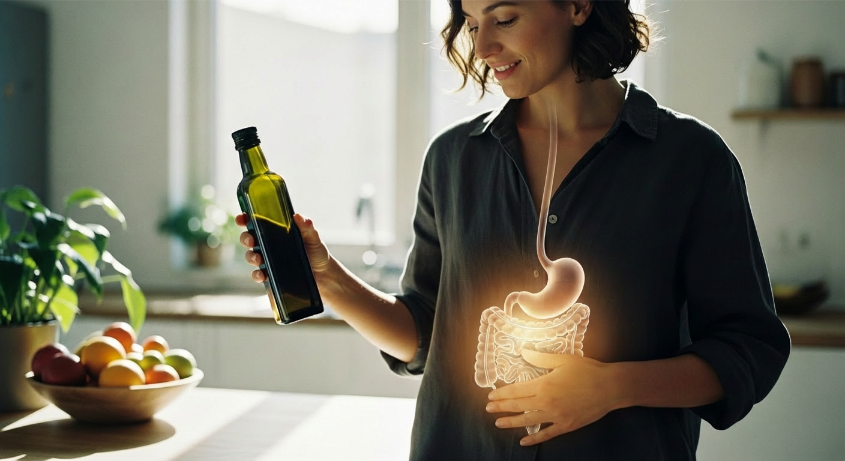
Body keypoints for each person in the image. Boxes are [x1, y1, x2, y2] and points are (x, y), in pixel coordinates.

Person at [237, 0, 792, 459]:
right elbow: (427, 337)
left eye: (503, 19)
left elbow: (749, 349)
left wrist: (609, 387)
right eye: (472, 24)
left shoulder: (691, 160)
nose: (481, 49)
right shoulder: (453, 160)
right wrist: (329, 279)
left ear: (577, 6)